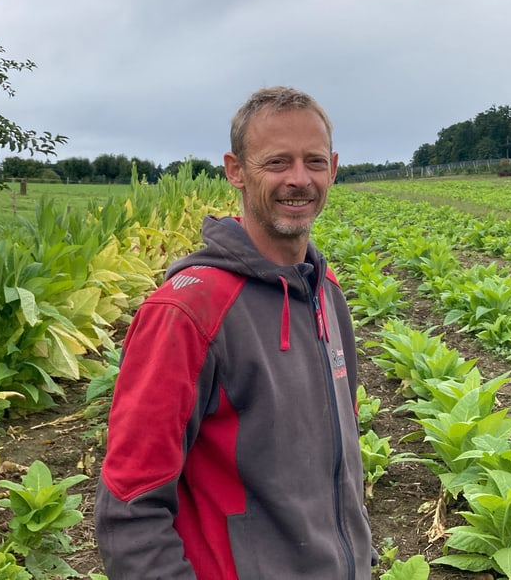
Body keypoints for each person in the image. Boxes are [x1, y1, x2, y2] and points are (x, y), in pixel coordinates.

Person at [95, 86, 374, 579]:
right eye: (276, 162)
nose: (298, 179)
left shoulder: (325, 290)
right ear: (235, 170)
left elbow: (342, 449)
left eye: (312, 162)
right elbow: (130, 509)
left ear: (332, 168)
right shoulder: (187, 311)